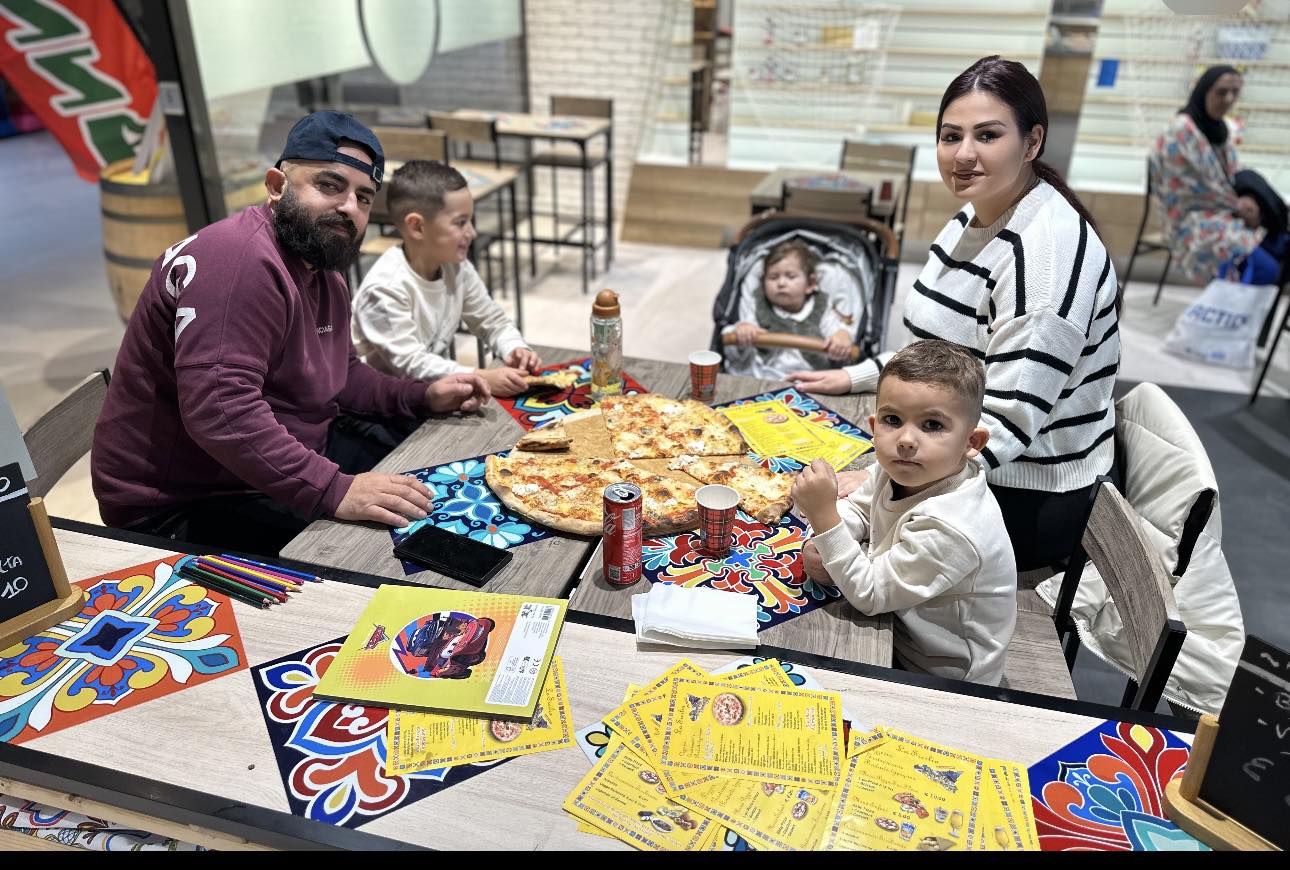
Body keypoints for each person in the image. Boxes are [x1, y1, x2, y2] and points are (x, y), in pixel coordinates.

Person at [92, 112, 489, 556]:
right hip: (181, 503)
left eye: (363, 197)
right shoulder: (239, 261)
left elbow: (343, 376)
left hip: (266, 458)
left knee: (441, 481)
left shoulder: (319, 262)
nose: (349, 208)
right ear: (276, 185)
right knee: (394, 548)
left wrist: (424, 395)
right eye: (329, 185)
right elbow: (221, 411)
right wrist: (334, 489)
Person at [791, 55, 1121, 574]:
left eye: (987, 135)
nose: (964, 155)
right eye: (951, 137)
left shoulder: (1046, 256)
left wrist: (880, 484)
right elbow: (939, 350)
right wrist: (857, 375)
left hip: (1019, 492)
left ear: (1032, 142)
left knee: (805, 535)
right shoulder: (977, 212)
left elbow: (1007, 425)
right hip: (951, 447)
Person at [791, 341, 1016, 685]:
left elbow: (869, 595)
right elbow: (859, 509)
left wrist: (823, 518)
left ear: (972, 443)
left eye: (932, 425)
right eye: (893, 420)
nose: (906, 439)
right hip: (899, 626)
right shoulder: (899, 469)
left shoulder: (953, 525)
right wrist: (823, 542)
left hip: (943, 677)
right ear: (874, 426)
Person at [351, 160, 542, 396]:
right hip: (381, 403)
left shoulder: (455, 266)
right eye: (460, 223)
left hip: (424, 395)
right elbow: (412, 365)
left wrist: (514, 348)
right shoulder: (384, 289)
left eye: (470, 221)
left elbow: (493, 322)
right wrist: (481, 377)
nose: (472, 232)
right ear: (417, 227)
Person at [1150, 65, 1287, 285]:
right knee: (1265, 268)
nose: (1228, 99)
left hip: (1227, 213)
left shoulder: (1219, 129)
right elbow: (1187, 192)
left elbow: (1230, 175)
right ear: (1204, 90)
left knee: (1282, 246)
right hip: (1190, 221)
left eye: (1235, 93)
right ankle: (1232, 304)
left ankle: (1250, 306)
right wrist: (1238, 206)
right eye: (1221, 92)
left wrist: (1248, 201)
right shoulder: (1180, 132)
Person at [721, 239, 856, 378]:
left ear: (810, 284)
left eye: (790, 277)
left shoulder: (822, 309)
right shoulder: (758, 305)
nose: (781, 283)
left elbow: (838, 332)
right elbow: (736, 343)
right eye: (773, 277)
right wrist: (742, 330)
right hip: (763, 375)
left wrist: (842, 337)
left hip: (811, 379)